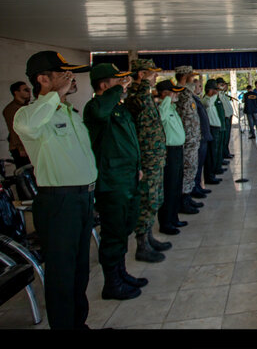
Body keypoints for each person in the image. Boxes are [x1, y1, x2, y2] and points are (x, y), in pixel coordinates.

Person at [13, 51, 96, 329]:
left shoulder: (68, 112)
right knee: (61, 275)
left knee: (79, 273)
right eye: (64, 74)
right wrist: (53, 95)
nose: (71, 78)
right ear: (43, 79)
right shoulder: (28, 115)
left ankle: (78, 325)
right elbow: (29, 125)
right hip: (59, 202)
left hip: (82, 198)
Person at [83, 63, 146, 301]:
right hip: (112, 181)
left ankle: (121, 273)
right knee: (113, 232)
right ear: (104, 85)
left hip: (128, 176)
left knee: (125, 226)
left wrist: (138, 167)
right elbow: (100, 112)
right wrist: (117, 91)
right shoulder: (96, 107)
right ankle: (112, 283)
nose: (122, 85)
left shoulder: (117, 108)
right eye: (116, 81)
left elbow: (130, 139)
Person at [125, 59, 167, 263]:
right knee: (146, 201)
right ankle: (142, 245)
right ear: (141, 75)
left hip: (155, 158)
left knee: (155, 199)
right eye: (151, 74)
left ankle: (149, 237)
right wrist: (141, 84)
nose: (155, 77)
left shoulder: (146, 96)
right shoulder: (136, 97)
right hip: (146, 160)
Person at [156, 80, 187, 235]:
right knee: (169, 187)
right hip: (169, 152)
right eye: (173, 92)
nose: (177, 95)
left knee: (176, 185)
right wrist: (167, 98)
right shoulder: (161, 107)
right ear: (165, 93)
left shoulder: (172, 108)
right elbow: (159, 118)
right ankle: (166, 222)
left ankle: (174, 217)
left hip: (178, 151)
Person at [174, 66, 206, 207]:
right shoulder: (180, 93)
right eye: (191, 77)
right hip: (185, 140)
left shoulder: (187, 93)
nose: (194, 80)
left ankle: (188, 195)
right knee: (187, 169)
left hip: (192, 138)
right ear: (184, 77)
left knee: (192, 168)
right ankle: (183, 198)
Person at [3, 81, 32, 168]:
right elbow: (13, 129)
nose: (29, 92)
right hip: (20, 148)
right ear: (16, 92)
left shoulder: (26, 107)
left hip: (28, 145)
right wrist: (20, 147)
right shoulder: (11, 109)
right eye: (25, 90)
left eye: (29, 89)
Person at [202, 79, 224, 189]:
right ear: (210, 90)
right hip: (211, 129)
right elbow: (209, 104)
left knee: (214, 153)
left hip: (216, 128)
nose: (216, 92)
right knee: (211, 154)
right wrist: (215, 95)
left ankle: (213, 173)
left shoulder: (212, 99)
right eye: (214, 90)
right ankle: (209, 175)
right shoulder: (206, 100)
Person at [216, 77, 235, 160]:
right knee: (224, 138)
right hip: (224, 118)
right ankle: (223, 154)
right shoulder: (217, 95)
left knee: (227, 137)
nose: (224, 86)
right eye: (221, 85)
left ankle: (226, 152)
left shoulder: (223, 94)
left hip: (228, 117)